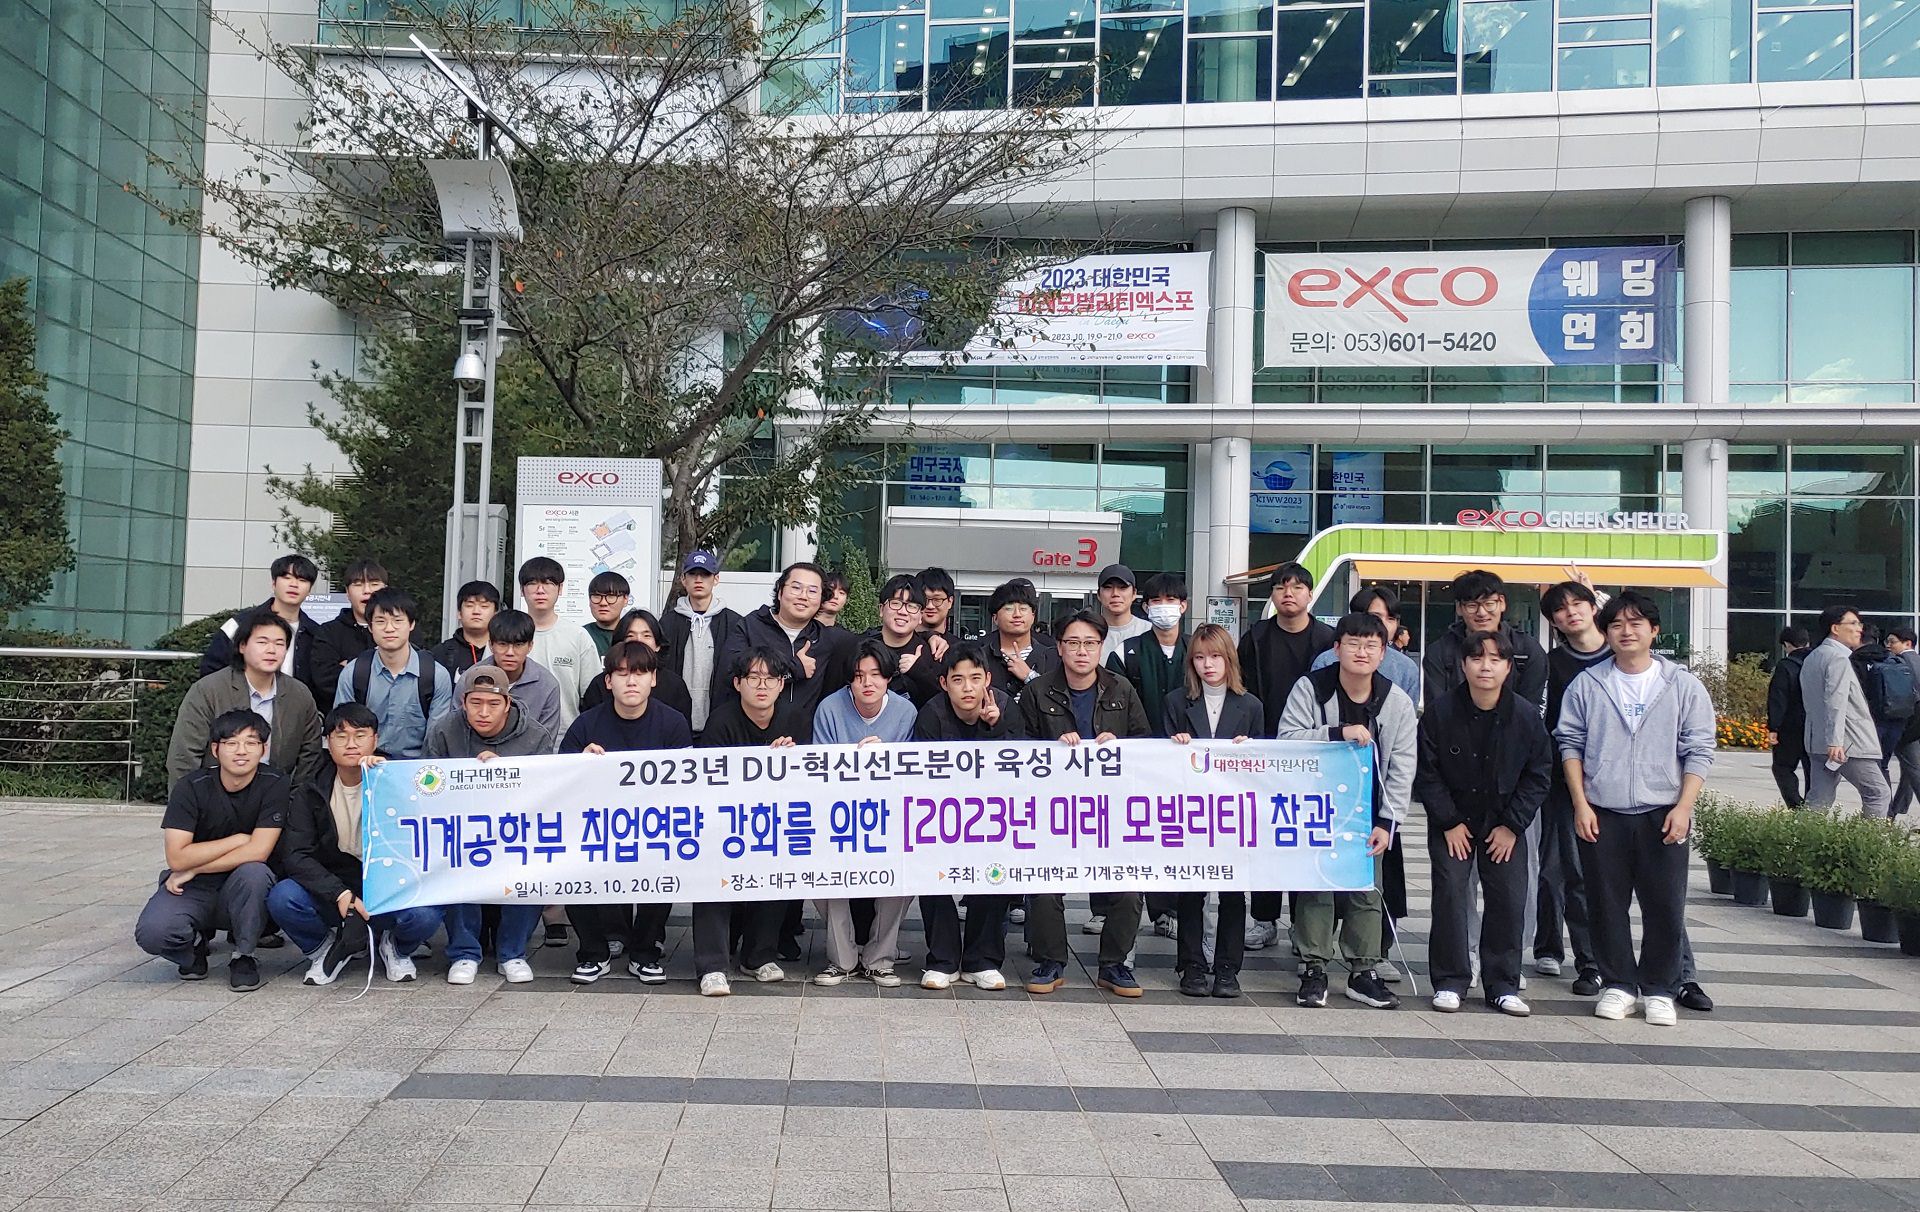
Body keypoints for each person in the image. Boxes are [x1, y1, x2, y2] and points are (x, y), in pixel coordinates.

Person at [1558, 591, 1715, 1027]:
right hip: (1602, 811)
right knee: (1605, 904)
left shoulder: (1681, 684)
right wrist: (1581, 803)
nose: (1625, 632)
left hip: (1663, 811)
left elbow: (1700, 748)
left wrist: (1684, 807)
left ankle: (1661, 989)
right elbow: (1570, 744)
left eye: (1635, 623)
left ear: (1654, 631)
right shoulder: (1588, 684)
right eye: (1616, 625)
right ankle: (1619, 985)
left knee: (1665, 906)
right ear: (1606, 633)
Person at [1416, 630, 1553, 1017]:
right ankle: (1450, 980)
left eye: (1495, 659)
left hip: (1504, 824)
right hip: (1453, 822)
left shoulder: (1525, 716)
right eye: (1477, 659)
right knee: (1450, 893)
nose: (1485, 667)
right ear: (1463, 665)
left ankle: (1503, 984)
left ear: (1508, 668)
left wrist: (1512, 826)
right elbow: (1427, 772)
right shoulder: (1441, 712)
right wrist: (1448, 821)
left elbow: (1539, 775)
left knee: (1508, 898)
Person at [1279, 612, 1412, 1010]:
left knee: (1366, 890)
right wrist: (1337, 734)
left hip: (1368, 812)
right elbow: (1287, 739)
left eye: (1372, 645)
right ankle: (1313, 968)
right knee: (1315, 887)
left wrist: (1388, 822)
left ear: (1384, 653)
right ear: (1337, 648)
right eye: (1353, 643)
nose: (1361, 652)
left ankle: (1363, 971)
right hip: (1316, 806)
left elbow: (1403, 765)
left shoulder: (1396, 701)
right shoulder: (1311, 688)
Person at [1020, 611, 1152, 998]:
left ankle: (1114, 964)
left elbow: (1145, 746)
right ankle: (1051, 961)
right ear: (1059, 648)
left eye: (1090, 643)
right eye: (1073, 643)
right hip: (1054, 807)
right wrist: (1051, 749)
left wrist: (1119, 746)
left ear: (1101, 647)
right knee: (1044, 884)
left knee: (1129, 887)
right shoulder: (1037, 691)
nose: (1082, 651)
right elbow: (1019, 747)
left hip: (1110, 808)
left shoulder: (1121, 689)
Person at [271, 704, 444, 986]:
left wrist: (386, 780)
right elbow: (296, 854)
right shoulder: (311, 789)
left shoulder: (399, 779)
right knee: (283, 897)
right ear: (328, 742)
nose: (351, 744)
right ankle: (326, 948)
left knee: (428, 912)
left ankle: (395, 947)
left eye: (360, 735)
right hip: (335, 885)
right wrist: (339, 893)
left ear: (375, 739)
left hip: (390, 885)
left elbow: (423, 836)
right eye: (341, 736)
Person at [559, 642, 695, 985]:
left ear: (653, 679)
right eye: (621, 674)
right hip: (596, 828)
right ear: (608, 681)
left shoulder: (672, 723)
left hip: (655, 826)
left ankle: (645, 953)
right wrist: (579, 765)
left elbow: (687, 785)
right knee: (568, 865)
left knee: (667, 862)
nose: (631, 681)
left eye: (640, 673)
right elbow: (558, 782)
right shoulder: (586, 725)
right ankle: (593, 953)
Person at [134, 709, 288, 991]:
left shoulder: (275, 784)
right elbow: (176, 856)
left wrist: (193, 868)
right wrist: (238, 839)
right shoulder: (191, 787)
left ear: (263, 749)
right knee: (153, 933)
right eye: (231, 743)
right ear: (216, 750)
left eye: (251, 743)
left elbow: (258, 851)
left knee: (255, 872)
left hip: (241, 886)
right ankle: (192, 947)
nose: (241, 751)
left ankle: (244, 956)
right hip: (196, 888)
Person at [424, 664, 557, 985]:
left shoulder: (535, 735)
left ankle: (512, 953)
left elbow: (546, 790)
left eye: (493, 704)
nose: (483, 712)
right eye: (476, 703)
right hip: (463, 827)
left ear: (508, 704)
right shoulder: (443, 731)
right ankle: (464, 953)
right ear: (463, 702)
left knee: (532, 867)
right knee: (453, 860)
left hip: (516, 830)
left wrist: (506, 775)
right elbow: (428, 785)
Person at [698, 646, 816, 993]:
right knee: (710, 878)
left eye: (770, 678)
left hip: (774, 821)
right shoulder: (721, 721)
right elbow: (709, 780)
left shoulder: (796, 719)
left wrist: (788, 761)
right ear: (738, 683)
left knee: (779, 866)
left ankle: (758, 956)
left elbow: (809, 779)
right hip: (725, 822)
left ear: (782, 684)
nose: (762, 685)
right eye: (753, 677)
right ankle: (712, 966)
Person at [913, 642, 1023, 990]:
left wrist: (994, 728)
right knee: (930, 873)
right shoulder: (932, 714)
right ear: (944, 683)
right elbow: (921, 774)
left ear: (987, 679)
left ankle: (982, 960)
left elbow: (1019, 767)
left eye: (975, 678)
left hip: (994, 814)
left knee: (995, 873)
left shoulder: (1005, 707)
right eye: (958, 680)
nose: (967, 688)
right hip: (941, 814)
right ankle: (942, 960)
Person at [1237, 562, 1335, 949]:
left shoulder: (1328, 639)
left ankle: (1302, 924)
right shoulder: (1256, 637)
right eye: (1280, 587)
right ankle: (1264, 919)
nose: (1288, 593)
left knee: (1304, 838)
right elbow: (1241, 688)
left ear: (1310, 594)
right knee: (1266, 836)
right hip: (1266, 750)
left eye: (1296, 587)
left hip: (1313, 752)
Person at [810, 638, 917, 986]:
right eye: (858, 676)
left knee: (903, 875)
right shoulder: (829, 708)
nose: (867, 683)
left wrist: (885, 758)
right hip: (838, 813)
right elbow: (820, 769)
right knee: (821, 874)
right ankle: (841, 959)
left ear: (888, 677)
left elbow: (912, 772)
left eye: (875, 674)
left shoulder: (905, 712)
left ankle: (879, 958)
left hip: (890, 814)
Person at [1164, 623, 1262, 998]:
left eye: (1216, 656)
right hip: (1191, 810)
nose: (1208, 664)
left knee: (1234, 893)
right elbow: (1160, 759)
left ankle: (1227, 969)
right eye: (1201, 658)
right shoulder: (1177, 702)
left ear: (1229, 659)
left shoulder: (1250, 706)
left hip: (1234, 813)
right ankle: (1191, 965)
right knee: (1192, 890)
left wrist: (1248, 750)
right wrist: (1175, 745)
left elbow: (1264, 765)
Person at [1109, 571, 1190, 938]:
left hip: (1187, 763)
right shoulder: (1127, 652)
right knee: (1135, 835)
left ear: (1184, 606)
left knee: (1175, 836)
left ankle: (1168, 911)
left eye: (1171, 601)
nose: (1164, 608)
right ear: (1145, 607)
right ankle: (1118, 913)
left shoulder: (1198, 651)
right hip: (1138, 762)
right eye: (1156, 601)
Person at [1538, 579, 1609, 996]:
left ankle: (1675, 973)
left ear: (1593, 606)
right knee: (1567, 871)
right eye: (1560, 609)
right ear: (1554, 621)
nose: (1571, 613)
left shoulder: (1620, 654)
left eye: (1578, 603)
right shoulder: (1553, 664)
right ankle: (1588, 961)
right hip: (1565, 783)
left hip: (1620, 783)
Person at [168, 611, 323, 787]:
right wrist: (190, 800)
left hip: (276, 796)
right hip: (216, 794)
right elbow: (183, 756)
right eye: (262, 642)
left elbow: (310, 754)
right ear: (242, 646)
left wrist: (294, 799)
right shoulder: (209, 690)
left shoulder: (299, 695)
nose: (271, 650)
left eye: (279, 643)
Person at [331, 586, 454, 760]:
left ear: (411, 624)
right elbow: (344, 730)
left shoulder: (435, 675)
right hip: (366, 765)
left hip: (418, 768)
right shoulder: (354, 672)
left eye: (397, 620)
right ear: (370, 626)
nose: (389, 628)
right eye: (380, 621)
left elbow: (436, 741)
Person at [1802, 605, 1893, 818]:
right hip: (1847, 743)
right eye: (1853, 623)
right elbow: (1836, 701)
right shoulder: (1838, 658)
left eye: (1859, 623)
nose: (1859, 629)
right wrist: (1835, 741)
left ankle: (1798, 837)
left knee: (1819, 800)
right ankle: (1868, 839)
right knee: (1878, 793)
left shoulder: (1813, 656)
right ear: (1835, 628)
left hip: (1817, 740)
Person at [726, 561, 849, 717]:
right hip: (753, 728)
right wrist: (794, 669)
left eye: (812, 591)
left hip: (804, 731)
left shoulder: (826, 638)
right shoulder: (750, 627)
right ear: (780, 592)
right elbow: (731, 676)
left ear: (821, 599)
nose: (803, 596)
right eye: (796, 588)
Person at [199, 553, 318, 684]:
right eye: (287, 577)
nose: (294, 584)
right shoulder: (240, 624)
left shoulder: (315, 633)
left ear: (309, 590)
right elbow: (210, 672)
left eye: (302, 580)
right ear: (274, 583)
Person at [661, 550, 741, 739]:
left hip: (721, 723)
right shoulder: (667, 623)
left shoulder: (735, 623)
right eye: (693, 574)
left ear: (716, 579)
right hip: (675, 723)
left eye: (705, 574)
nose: (698, 580)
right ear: (683, 579)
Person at [518, 556, 600, 728]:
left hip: (566, 736)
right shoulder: (506, 635)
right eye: (532, 583)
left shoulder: (578, 636)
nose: (540, 590)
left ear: (560, 588)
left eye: (548, 583)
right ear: (522, 590)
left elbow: (594, 694)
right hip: (515, 736)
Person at [1310, 586, 1420, 705]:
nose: (1384, 624)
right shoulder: (1326, 661)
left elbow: (1408, 713)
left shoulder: (1406, 668)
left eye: (1391, 619)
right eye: (1376, 617)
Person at [581, 608, 693, 720]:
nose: (639, 641)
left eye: (646, 636)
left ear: (658, 645)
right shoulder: (600, 684)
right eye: (630, 636)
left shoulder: (674, 685)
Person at [468, 608, 564, 735]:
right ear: (491, 645)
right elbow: (457, 728)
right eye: (502, 644)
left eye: (518, 645)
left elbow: (546, 739)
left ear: (530, 646)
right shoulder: (470, 679)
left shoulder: (547, 685)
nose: (510, 653)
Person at [307, 557, 387, 705]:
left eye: (374, 584)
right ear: (347, 592)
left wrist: (348, 666)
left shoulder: (401, 630)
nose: (367, 591)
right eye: (358, 584)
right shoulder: (328, 632)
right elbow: (325, 681)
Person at [869, 574, 945, 708]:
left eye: (912, 606)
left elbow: (944, 702)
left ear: (921, 616)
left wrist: (918, 671)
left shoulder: (934, 653)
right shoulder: (862, 647)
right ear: (881, 609)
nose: (903, 612)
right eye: (896, 603)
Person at [984, 577, 1059, 703]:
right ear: (995, 618)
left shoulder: (1052, 657)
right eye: (1009, 609)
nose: (1017, 614)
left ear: (1033, 616)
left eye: (1023, 608)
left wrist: (1029, 676)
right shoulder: (980, 656)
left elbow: (1060, 701)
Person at [1766, 625, 1813, 810]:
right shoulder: (1818, 662)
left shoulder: (1786, 666)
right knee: (1813, 771)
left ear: (1787, 645)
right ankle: (1813, 810)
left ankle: (1796, 806)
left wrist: (1773, 727)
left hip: (1790, 727)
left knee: (1782, 767)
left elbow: (1778, 698)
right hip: (1815, 726)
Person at [429, 580, 501, 676]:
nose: (476, 611)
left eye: (484, 606)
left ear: (495, 614)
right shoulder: (441, 653)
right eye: (469, 605)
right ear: (459, 613)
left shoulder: (505, 652)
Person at [1885, 626, 1920, 817]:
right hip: (1915, 725)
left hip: (1909, 726)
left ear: (1907, 643)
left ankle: (1890, 814)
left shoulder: (1900, 663)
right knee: (1909, 771)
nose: (1888, 645)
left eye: (1892, 641)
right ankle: (1896, 810)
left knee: (1914, 769)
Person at [1095, 563, 1151, 663]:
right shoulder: (1087, 632)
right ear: (1099, 594)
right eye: (1108, 587)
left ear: (1134, 593)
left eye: (1122, 588)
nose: (1115, 594)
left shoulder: (1150, 631)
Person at [584, 571, 632, 657]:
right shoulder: (581, 635)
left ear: (625, 599)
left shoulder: (633, 635)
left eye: (611, 596)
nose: (603, 603)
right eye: (596, 596)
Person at [919, 567, 958, 637]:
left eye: (937, 599)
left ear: (950, 601)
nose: (930, 606)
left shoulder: (959, 644)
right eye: (924, 599)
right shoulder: (901, 642)